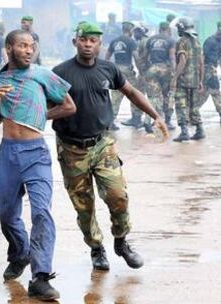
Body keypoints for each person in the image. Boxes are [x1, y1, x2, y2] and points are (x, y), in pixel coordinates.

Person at [52, 22, 169, 272]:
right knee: (84, 205)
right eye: (83, 39)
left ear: (99, 44)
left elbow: (131, 92)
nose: (87, 44)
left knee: (118, 196)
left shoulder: (109, 69)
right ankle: (96, 248)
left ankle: (121, 241)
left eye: (93, 41)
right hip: (72, 149)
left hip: (102, 144)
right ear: (75, 42)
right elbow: (42, 102)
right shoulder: (60, 72)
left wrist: (155, 115)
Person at [0, 29, 76, 301]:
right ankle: (20, 251)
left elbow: (69, 106)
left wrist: (40, 114)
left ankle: (41, 276)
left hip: (36, 153)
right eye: (22, 46)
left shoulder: (42, 74)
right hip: (9, 153)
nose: (27, 50)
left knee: (41, 212)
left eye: (31, 46)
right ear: (8, 48)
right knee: (7, 215)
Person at [170, 17, 204, 142]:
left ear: (182, 28)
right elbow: (201, 63)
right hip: (195, 79)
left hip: (183, 79)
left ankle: (184, 131)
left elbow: (182, 60)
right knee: (194, 106)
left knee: (180, 105)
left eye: (178, 27)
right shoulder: (197, 42)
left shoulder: (181, 41)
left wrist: (174, 77)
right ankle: (200, 129)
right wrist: (200, 80)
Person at [143, 21, 177, 133]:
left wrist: (145, 69)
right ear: (168, 29)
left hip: (152, 70)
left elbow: (144, 56)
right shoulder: (171, 40)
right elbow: (172, 57)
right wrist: (175, 73)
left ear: (159, 28)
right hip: (165, 70)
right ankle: (167, 120)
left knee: (153, 97)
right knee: (168, 95)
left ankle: (147, 122)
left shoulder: (150, 39)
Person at [105, 21, 138, 130]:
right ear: (130, 30)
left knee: (115, 97)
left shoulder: (114, 41)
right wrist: (141, 69)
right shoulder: (131, 41)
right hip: (127, 70)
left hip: (116, 70)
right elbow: (135, 57)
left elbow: (107, 56)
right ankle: (136, 118)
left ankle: (110, 121)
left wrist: (107, 70)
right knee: (134, 93)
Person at [120, 23, 148, 128]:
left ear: (141, 32)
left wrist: (141, 72)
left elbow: (141, 58)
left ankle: (137, 119)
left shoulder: (143, 42)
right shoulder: (143, 41)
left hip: (144, 73)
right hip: (145, 72)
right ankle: (139, 118)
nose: (134, 33)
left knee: (138, 94)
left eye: (136, 31)